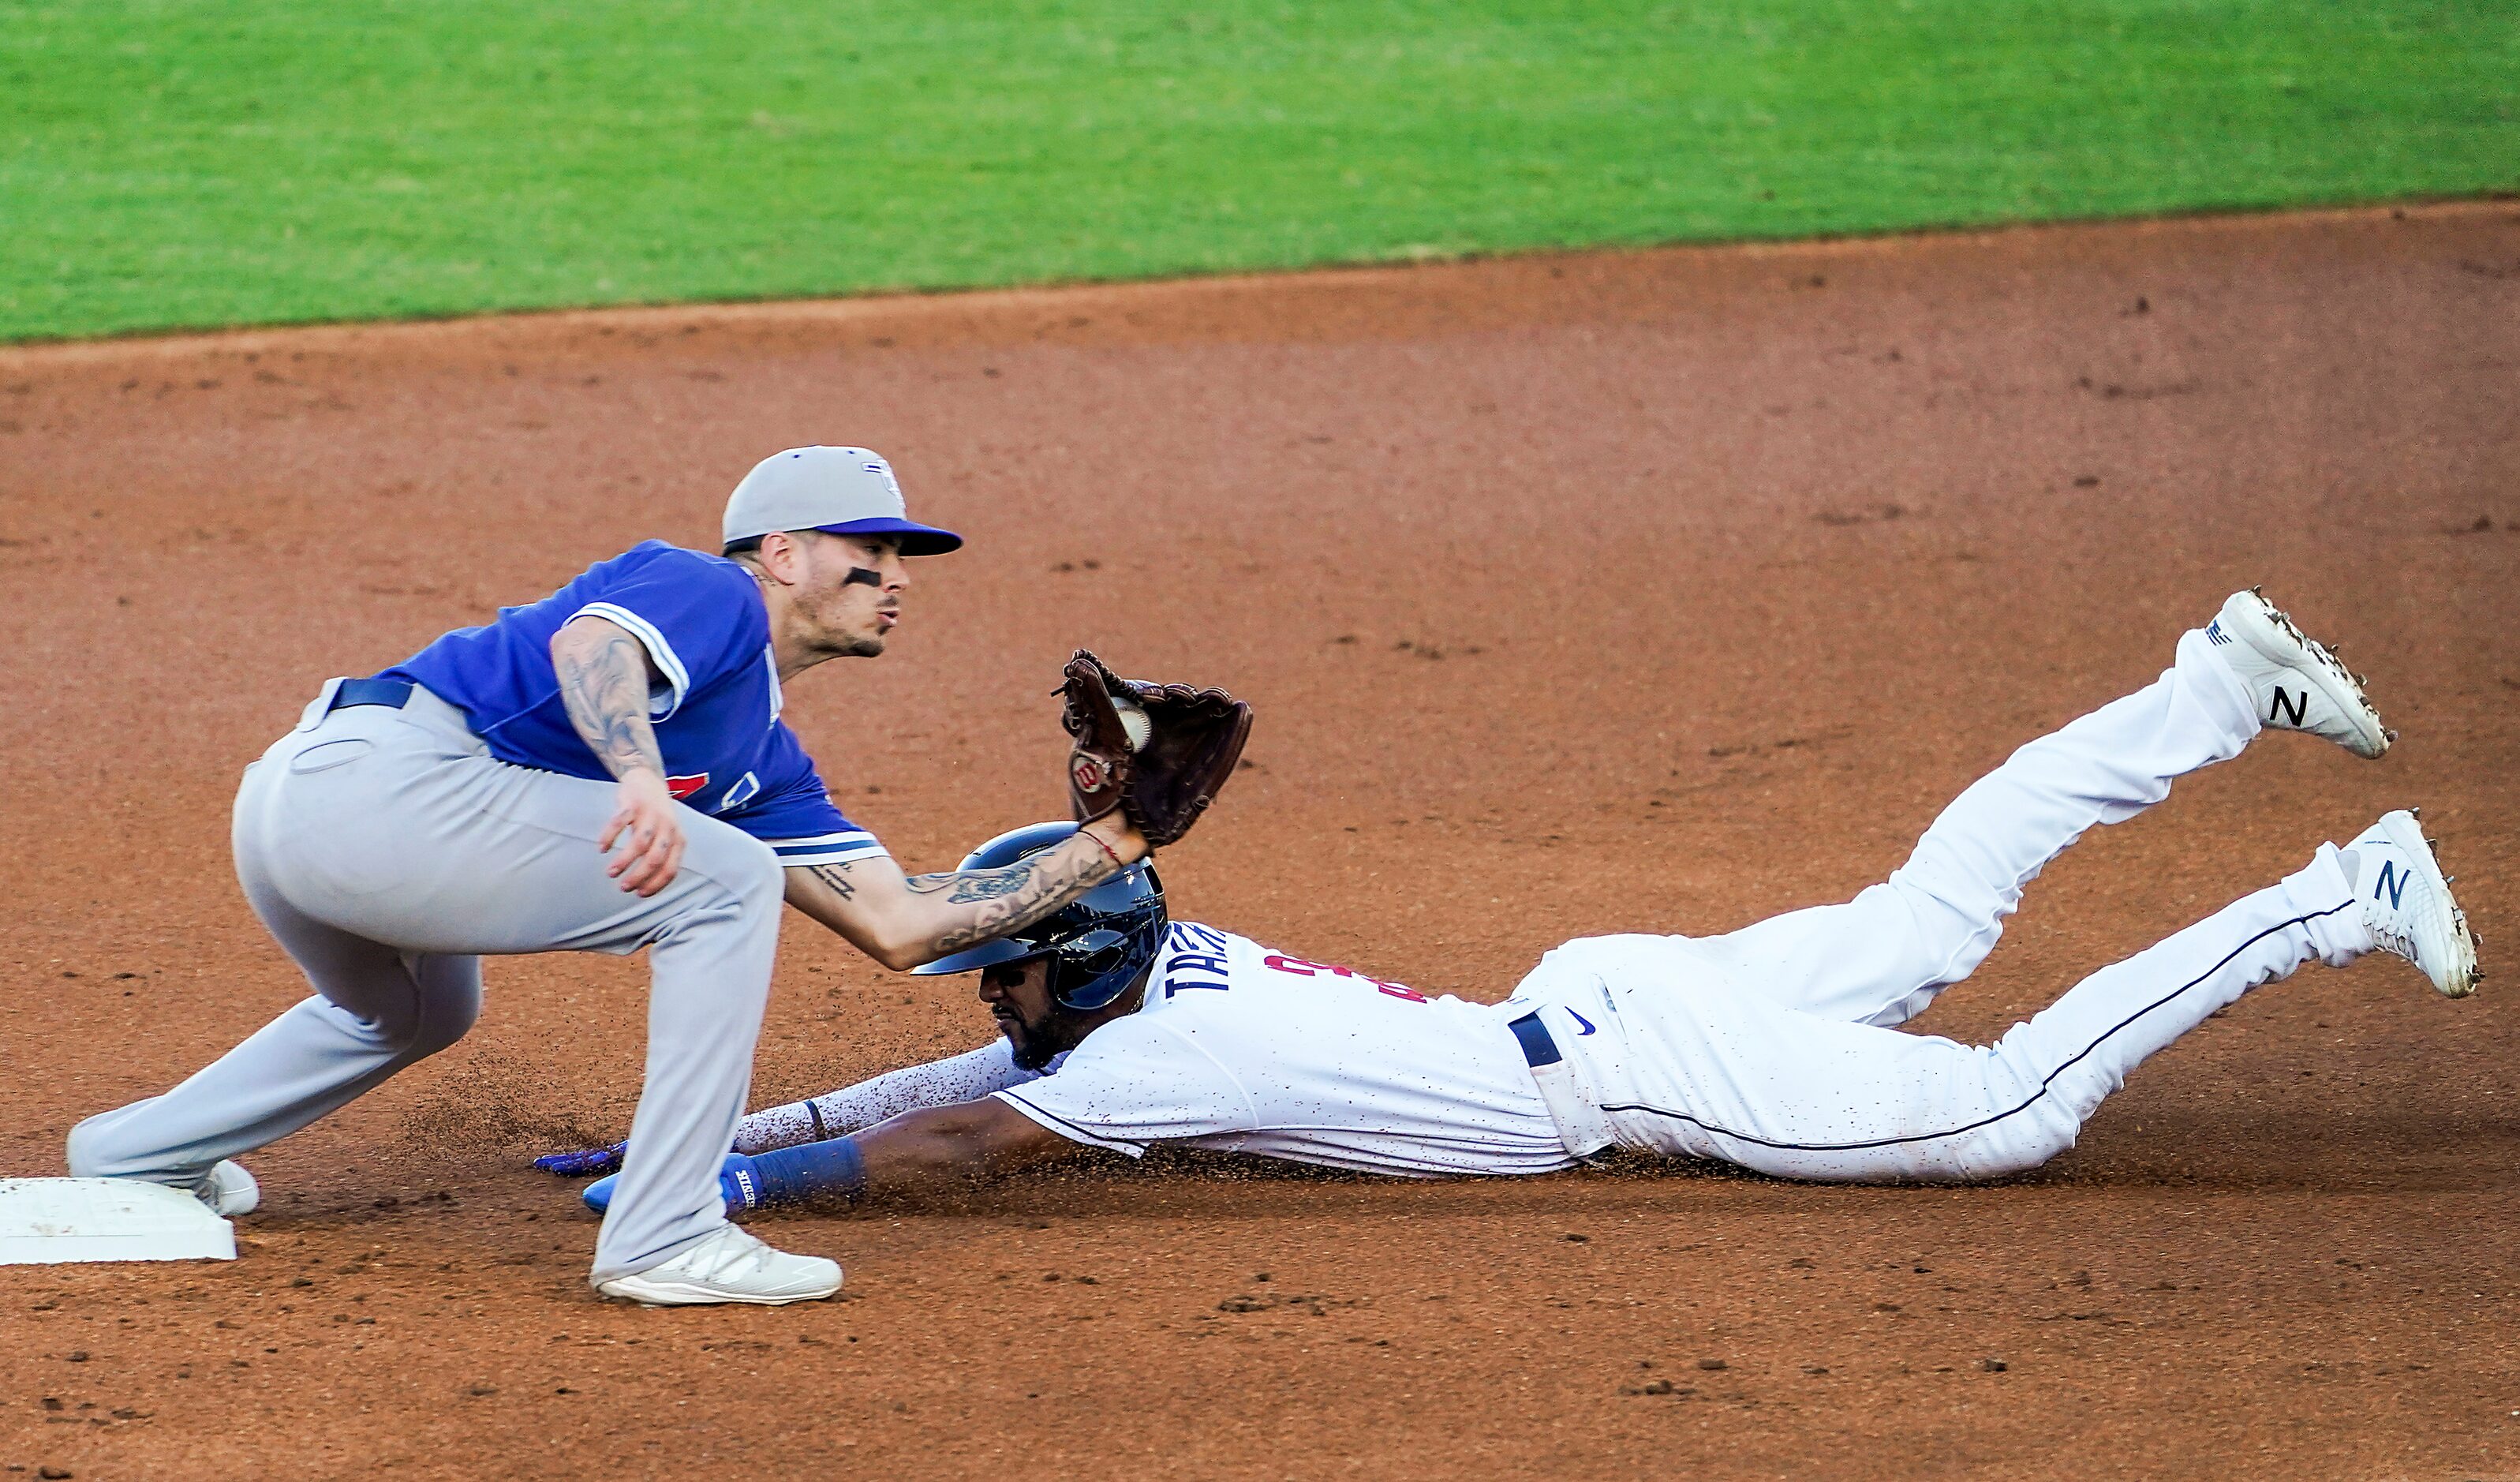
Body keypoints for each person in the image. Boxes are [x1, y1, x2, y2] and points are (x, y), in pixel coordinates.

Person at [548, 589, 2478, 1212]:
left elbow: (958, 1137)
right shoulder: (1158, 988)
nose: (994, 1001)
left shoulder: (1130, 1069)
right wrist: (754, 1120)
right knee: (1929, 913)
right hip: (1607, 991)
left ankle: (2334, 893)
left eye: (1008, 976)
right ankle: (2209, 687)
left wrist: (719, 1175)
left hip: (1629, 1070)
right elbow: (921, 1095)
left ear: (1075, 975)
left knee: (2006, 1109)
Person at [69, 446, 1170, 1307]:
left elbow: (899, 923)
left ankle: (140, 1152)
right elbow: (594, 648)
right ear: (780, 552)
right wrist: (638, 774)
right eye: (864, 553)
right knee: (729, 881)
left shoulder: (760, 759)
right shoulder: (709, 588)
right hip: (376, 788)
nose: (891, 580)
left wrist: (1122, 834)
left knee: (414, 1006)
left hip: (321, 817)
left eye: (899, 563)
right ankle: (668, 1231)